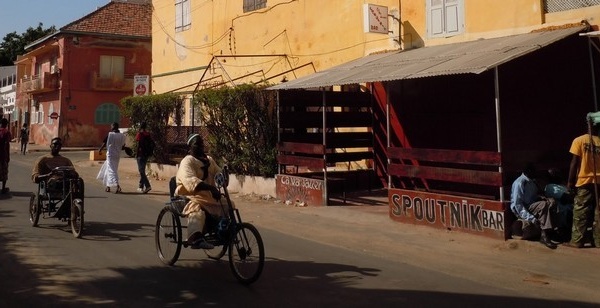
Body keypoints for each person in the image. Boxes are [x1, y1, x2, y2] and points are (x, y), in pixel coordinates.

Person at [174, 133, 231, 249]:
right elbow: (190, 182)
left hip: (207, 197)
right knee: (196, 209)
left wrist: (225, 175)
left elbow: (219, 176)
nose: (200, 147)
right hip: (189, 196)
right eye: (196, 144)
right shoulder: (187, 161)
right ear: (190, 147)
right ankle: (195, 238)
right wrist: (211, 188)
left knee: (228, 205)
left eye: (201, 144)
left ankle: (221, 229)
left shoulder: (209, 160)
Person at [566, 122, 600, 248]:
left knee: (580, 213)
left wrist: (570, 183)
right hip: (599, 183)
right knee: (598, 213)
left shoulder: (579, 140)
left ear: (588, 127)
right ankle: (598, 242)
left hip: (585, 182)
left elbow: (574, 163)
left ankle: (577, 241)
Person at [510, 163, 558, 249]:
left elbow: (533, 197)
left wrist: (542, 198)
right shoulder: (520, 182)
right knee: (543, 205)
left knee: (552, 202)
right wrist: (531, 218)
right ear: (528, 172)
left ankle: (551, 230)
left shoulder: (531, 181)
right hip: (523, 209)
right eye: (533, 171)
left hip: (531, 205)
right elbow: (518, 204)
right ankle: (544, 234)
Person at [97, 122, 126, 193]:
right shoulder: (122, 136)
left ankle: (117, 185)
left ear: (113, 126)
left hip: (110, 155)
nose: (111, 127)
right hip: (117, 155)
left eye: (111, 126)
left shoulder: (111, 134)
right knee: (108, 169)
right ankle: (108, 186)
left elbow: (105, 143)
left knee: (112, 170)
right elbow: (122, 147)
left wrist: (100, 149)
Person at [135, 122, 153, 193]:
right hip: (146, 154)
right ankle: (141, 186)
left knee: (141, 171)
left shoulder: (140, 134)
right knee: (142, 169)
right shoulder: (148, 134)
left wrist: (136, 154)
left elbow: (138, 145)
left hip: (140, 154)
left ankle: (147, 185)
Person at [0, 118, 11, 194]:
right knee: (4, 171)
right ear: (6, 124)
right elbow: (7, 144)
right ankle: (3, 188)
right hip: (3, 155)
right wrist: (8, 155)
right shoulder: (7, 132)